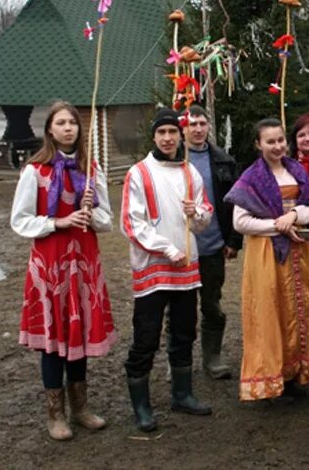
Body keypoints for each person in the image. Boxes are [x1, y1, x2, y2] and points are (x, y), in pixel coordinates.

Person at [11, 101, 116, 441]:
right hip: (50, 264)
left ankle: (81, 408)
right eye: (61, 122)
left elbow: (106, 223)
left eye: (73, 122)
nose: (68, 127)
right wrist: (59, 221)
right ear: (50, 130)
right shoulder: (35, 171)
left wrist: (92, 207)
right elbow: (20, 220)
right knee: (54, 341)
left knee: (79, 336)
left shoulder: (91, 169)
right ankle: (55, 414)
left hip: (83, 263)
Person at [121, 108, 214, 432]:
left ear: (181, 135)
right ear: (154, 136)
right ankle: (142, 406)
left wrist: (197, 213)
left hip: (185, 270)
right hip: (154, 269)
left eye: (173, 132)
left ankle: (182, 393)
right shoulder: (139, 173)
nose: (168, 138)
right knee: (146, 336)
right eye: (161, 132)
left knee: (185, 331)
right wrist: (167, 249)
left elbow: (203, 221)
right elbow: (133, 224)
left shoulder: (191, 173)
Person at [225, 118, 309, 400]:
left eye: (281, 140)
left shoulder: (296, 170)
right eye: (270, 141)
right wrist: (278, 225)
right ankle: (271, 376)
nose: (278, 146)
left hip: (300, 252)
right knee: (271, 309)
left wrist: (294, 217)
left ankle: (296, 373)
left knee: (301, 308)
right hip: (267, 253)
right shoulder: (251, 178)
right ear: (258, 144)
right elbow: (241, 223)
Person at [183, 105, 242, 379]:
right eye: (192, 124)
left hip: (212, 246)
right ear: (184, 127)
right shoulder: (174, 160)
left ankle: (212, 357)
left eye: (202, 124)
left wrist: (233, 239)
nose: (197, 129)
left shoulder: (223, 161)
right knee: (179, 309)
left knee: (211, 303)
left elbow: (233, 203)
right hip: (180, 248)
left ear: (208, 126)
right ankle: (179, 359)